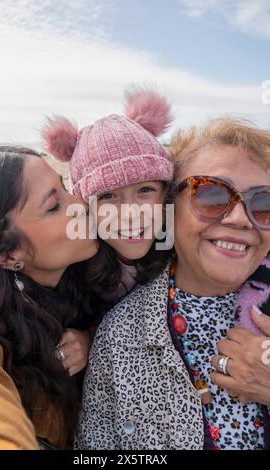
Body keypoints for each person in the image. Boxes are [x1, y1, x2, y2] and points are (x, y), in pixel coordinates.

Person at [75, 118, 270, 450]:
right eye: (210, 195)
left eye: (264, 203)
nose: (239, 218)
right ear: (171, 208)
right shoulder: (119, 335)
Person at [0, 146, 99, 449]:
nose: (81, 203)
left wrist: (93, 338)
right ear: (8, 255)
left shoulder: (103, 269)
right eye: (55, 205)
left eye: (66, 187)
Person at [42, 87, 174, 305]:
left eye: (145, 190)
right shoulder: (77, 267)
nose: (130, 214)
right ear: (86, 206)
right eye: (108, 196)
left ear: (165, 193)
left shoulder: (179, 250)